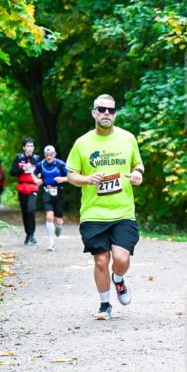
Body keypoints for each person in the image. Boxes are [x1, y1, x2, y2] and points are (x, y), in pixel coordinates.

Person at [66, 95, 144, 321]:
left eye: (111, 110)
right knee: (100, 260)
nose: (106, 113)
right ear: (94, 113)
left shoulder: (127, 138)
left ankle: (118, 279)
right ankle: (104, 305)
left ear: (115, 114)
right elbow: (71, 175)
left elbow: (137, 164)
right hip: (93, 213)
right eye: (102, 109)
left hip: (122, 211)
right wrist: (87, 179)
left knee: (120, 259)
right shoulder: (82, 143)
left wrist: (138, 173)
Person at [34, 145, 69, 251]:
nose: (49, 157)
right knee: (49, 217)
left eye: (51, 154)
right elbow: (33, 174)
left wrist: (62, 179)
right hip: (47, 192)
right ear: (44, 155)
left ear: (54, 154)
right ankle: (51, 243)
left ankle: (58, 227)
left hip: (59, 192)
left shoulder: (60, 164)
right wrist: (37, 180)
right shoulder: (41, 164)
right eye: (47, 155)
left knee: (58, 221)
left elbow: (71, 177)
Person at [10, 139, 42, 245]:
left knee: (30, 210)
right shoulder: (19, 158)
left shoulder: (37, 159)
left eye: (32, 146)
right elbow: (12, 172)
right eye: (28, 146)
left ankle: (31, 234)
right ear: (24, 147)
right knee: (25, 212)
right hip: (22, 187)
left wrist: (42, 180)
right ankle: (28, 235)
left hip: (33, 188)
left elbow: (43, 172)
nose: (30, 148)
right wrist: (23, 169)